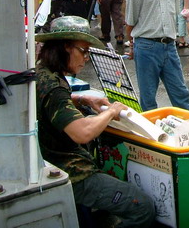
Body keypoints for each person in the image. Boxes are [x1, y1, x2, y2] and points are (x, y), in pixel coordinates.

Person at [35, 17, 155, 226]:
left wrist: (82, 99)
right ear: (65, 47)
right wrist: (111, 111)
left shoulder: (41, 73)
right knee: (142, 207)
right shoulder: (54, 87)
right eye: (83, 51)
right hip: (69, 171)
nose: (86, 58)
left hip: (47, 161)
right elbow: (82, 133)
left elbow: (51, 103)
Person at [125, 0, 189, 111]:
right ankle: (150, 128)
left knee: (181, 93)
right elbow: (130, 23)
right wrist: (132, 46)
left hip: (169, 45)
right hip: (146, 46)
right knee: (148, 97)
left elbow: (174, 13)